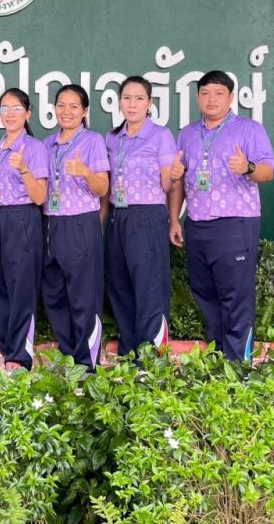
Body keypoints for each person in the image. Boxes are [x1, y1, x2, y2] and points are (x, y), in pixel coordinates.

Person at [169, 70, 274, 362]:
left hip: (235, 223)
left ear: (231, 97)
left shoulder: (249, 129)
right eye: (205, 93)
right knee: (205, 291)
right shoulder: (188, 134)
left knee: (235, 294)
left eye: (218, 93)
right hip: (197, 224)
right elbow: (179, 181)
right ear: (197, 98)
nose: (211, 99)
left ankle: (238, 363)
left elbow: (269, 171)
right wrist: (175, 219)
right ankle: (218, 358)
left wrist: (247, 167)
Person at [103, 76, 183, 358]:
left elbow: (167, 184)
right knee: (120, 285)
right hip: (117, 217)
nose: (132, 104)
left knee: (149, 288)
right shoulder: (112, 138)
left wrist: (174, 176)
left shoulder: (160, 135)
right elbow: (107, 186)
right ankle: (129, 356)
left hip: (147, 217)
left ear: (149, 103)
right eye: (127, 98)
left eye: (139, 98)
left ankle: (151, 360)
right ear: (119, 102)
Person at [0, 88, 48, 370]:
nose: (10, 114)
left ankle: (19, 358)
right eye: (4, 108)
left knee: (21, 290)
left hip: (23, 219)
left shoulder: (34, 148)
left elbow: (40, 197)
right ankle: (7, 353)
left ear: (28, 113)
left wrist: (25, 169)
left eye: (16, 108)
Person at [41, 84, 110, 371]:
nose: (66, 111)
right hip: (50, 222)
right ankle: (69, 355)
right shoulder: (47, 144)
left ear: (84, 111)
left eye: (73, 106)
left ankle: (87, 362)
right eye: (61, 105)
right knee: (54, 291)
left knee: (83, 295)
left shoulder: (92, 141)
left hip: (81, 222)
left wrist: (84, 171)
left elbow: (103, 188)